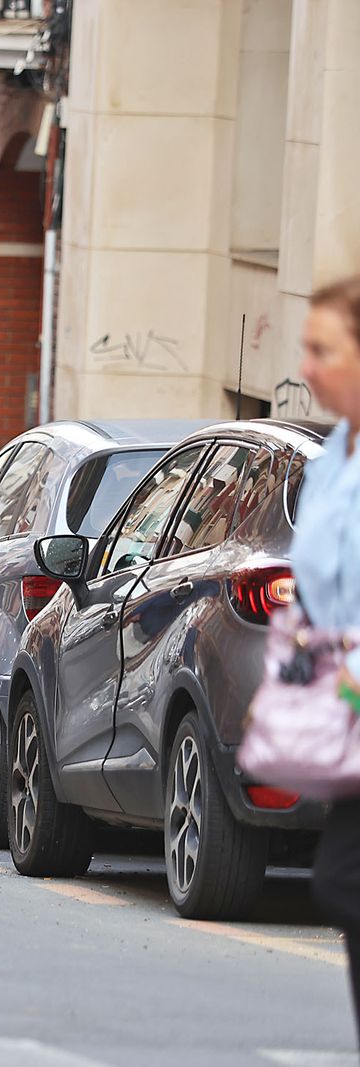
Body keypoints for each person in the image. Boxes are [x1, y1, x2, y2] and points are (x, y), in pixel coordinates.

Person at [289, 274, 360, 1039]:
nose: (306, 367)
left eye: (323, 350)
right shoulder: (330, 456)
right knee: (342, 884)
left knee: (343, 881)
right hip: (349, 715)